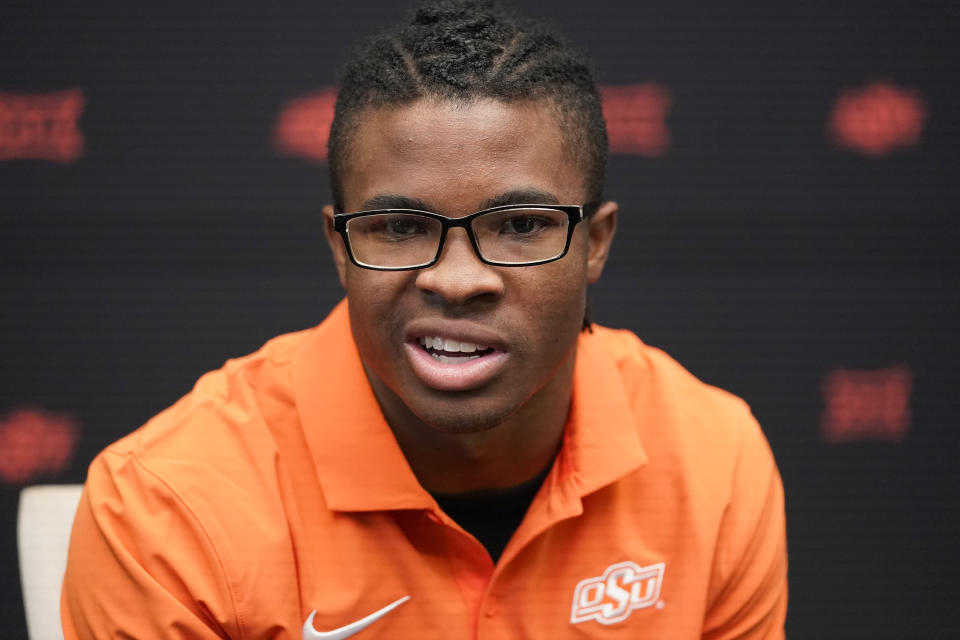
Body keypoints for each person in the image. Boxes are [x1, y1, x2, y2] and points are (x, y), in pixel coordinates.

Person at [61, 1, 787, 638]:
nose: (458, 280)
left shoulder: (712, 460)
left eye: (521, 224)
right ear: (339, 247)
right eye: (400, 227)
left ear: (595, 244)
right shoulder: (163, 513)